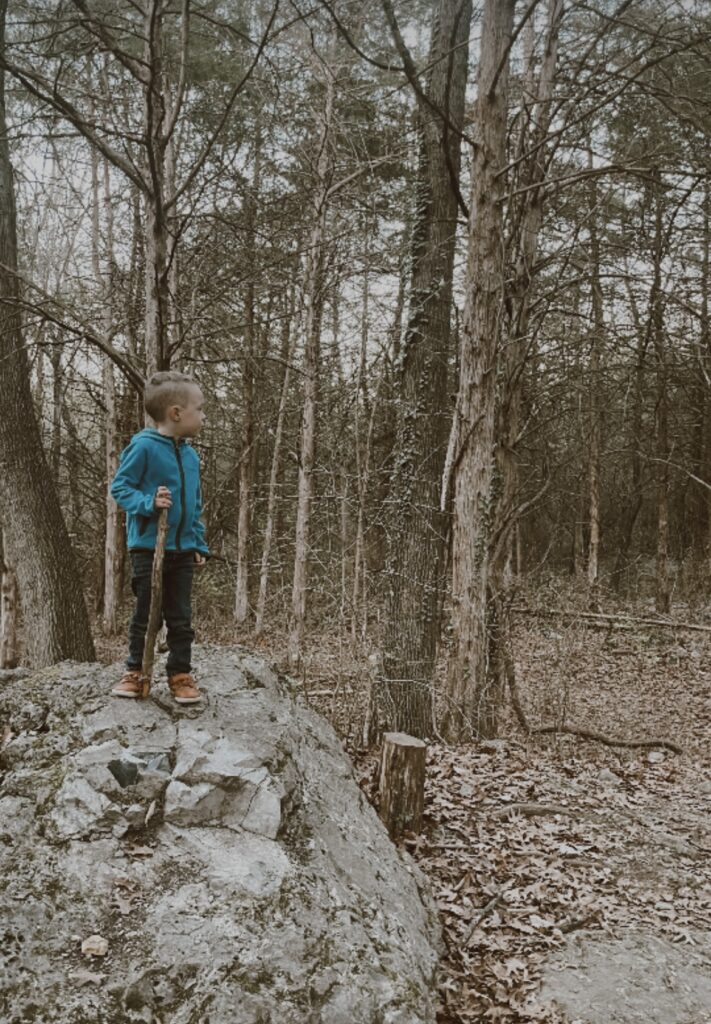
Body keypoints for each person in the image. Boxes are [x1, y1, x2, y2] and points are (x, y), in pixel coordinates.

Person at [110, 371, 209, 704]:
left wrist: (197, 542)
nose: (203, 415)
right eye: (199, 408)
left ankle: (180, 674)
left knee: (180, 617)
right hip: (148, 548)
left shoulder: (191, 456)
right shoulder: (143, 447)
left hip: (181, 550)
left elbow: (193, 505)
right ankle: (135, 671)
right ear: (176, 413)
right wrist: (148, 503)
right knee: (146, 613)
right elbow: (120, 488)